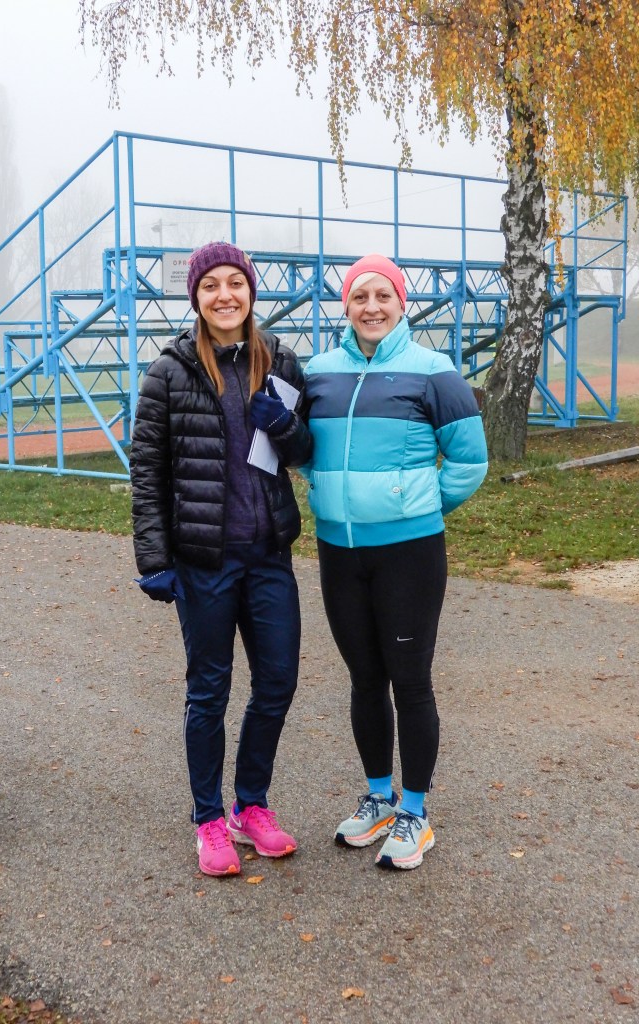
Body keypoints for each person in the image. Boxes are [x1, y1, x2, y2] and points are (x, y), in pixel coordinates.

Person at [130, 241, 312, 877]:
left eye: (235, 282)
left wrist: (283, 425)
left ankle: (250, 806)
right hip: (204, 561)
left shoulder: (280, 361)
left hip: (268, 557)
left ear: (251, 292)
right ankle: (208, 818)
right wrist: (154, 559)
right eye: (211, 285)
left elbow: (302, 451)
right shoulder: (169, 372)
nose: (224, 295)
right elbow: (147, 470)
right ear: (197, 297)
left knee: (278, 682)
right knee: (209, 691)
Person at [302, 254, 488, 870]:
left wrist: (416, 504)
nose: (372, 307)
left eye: (383, 295)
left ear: (401, 303)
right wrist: (321, 486)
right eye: (360, 296)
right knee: (364, 679)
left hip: (409, 552)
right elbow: (302, 450)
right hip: (339, 549)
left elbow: (470, 460)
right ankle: (379, 798)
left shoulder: (435, 372)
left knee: (409, 680)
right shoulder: (319, 373)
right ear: (345, 306)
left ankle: (415, 811)